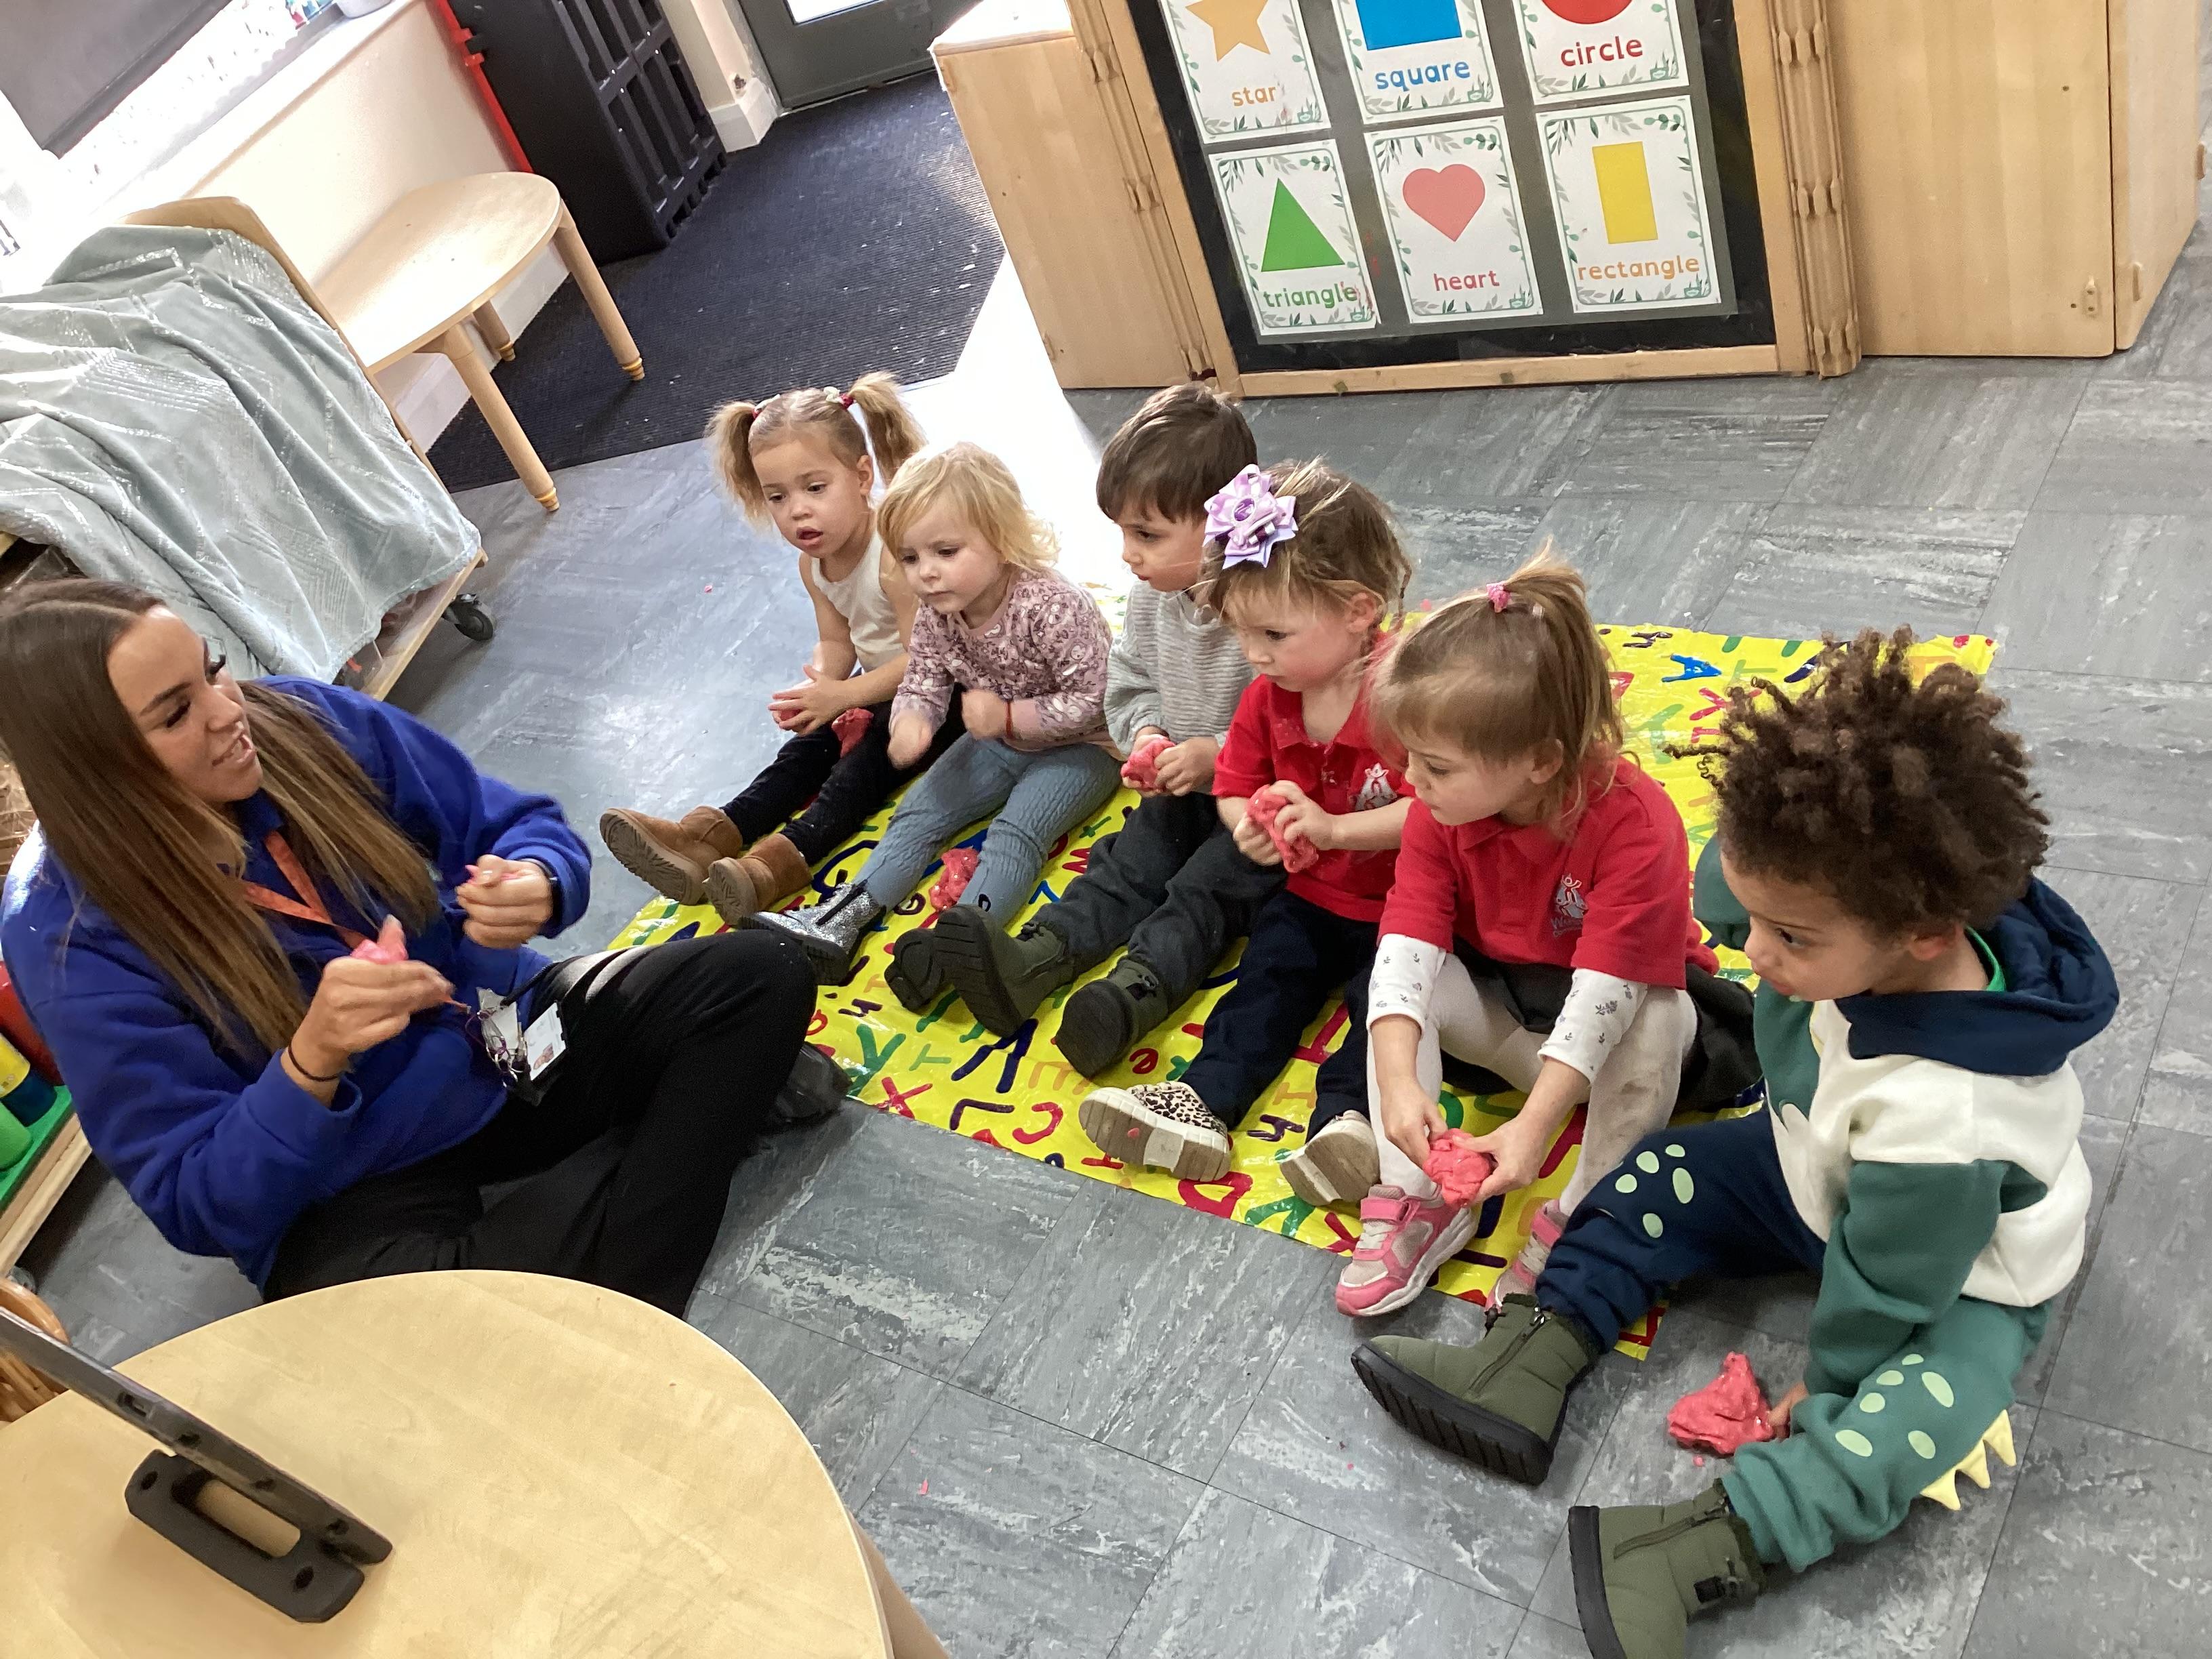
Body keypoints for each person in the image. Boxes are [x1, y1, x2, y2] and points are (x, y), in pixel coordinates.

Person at [1351, 630, 2115, 1659]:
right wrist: (1754, 864)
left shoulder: (1949, 1120)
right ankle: (1525, 1361)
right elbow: (1730, 880)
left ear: (1925, 935)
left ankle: (1702, 1546)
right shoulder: (1839, 909)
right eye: (1756, 919)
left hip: (1959, 1272)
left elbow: (1892, 1284)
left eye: (1788, 938)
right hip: (1813, 1168)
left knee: (1925, 1416)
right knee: (1652, 1176)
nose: (1750, 952)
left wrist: (1833, 1381)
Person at [0, 580, 824, 1316]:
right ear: (98, 771)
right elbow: (197, 1205)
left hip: (501, 1042)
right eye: (176, 713)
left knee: (760, 971)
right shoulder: (64, 936)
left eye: (213, 668)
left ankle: (615, 1237)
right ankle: (696, 1126)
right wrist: (311, 1063)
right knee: (406, 1329)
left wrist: (537, 879)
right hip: (354, 1182)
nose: (227, 711)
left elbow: (516, 822)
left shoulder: (298, 719)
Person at [1340, 554, 1757, 1318]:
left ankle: (1585, 1213)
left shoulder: (1636, 823)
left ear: (1540, 762)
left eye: (1435, 766)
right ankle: (1416, 1198)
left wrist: (1533, 1129)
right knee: (1393, 986)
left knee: (1657, 1013)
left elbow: (1607, 994)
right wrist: (1397, 1084)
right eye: (1409, 760)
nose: (1411, 783)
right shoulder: (1440, 811)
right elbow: (1406, 941)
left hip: (1616, 1050)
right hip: (1515, 1019)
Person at [1076, 459, 1412, 1202]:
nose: (1253, 653)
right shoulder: (1270, 694)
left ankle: (1351, 1121)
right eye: (1241, 631)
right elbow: (1233, 784)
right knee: (1264, 982)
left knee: (1387, 1010)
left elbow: (1438, 810)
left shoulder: (1407, 693)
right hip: (1311, 895)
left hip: (1408, 910)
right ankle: (1203, 1100)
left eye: (1272, 633)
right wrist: (1248, 825)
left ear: (1359, 610)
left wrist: (1335, 829)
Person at [932, 383, 1281, 1073]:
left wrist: (1217, 756)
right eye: (1123, 532)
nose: (1127, 554)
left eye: (1146, 535)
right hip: (1183, 788)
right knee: (1127, 862)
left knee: (1204, 892)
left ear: (1221, 523)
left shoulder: (1270, 609)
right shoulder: (1154, 597)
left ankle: (1131, 993)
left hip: (1259, 807)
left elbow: (1300, 719)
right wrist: (1148, 734)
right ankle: (1039, 957)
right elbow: (1131, 678)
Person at [746, 442, 1121, 996]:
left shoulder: (1054, 606)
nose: (927, 574)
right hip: (997, 738)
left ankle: (966, 944)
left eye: (946, 552)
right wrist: (912, 721)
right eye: (910, 558)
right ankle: (838, 920)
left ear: (1001, 537)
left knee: (1018, 831)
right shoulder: (937, 612)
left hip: (1083, 748)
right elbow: (923, 677)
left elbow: (1097, 697)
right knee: (919, 812)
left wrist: (1009, 716)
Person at [599, 373, 960, 926]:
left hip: (946, 693)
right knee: (803, 753)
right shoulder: (814, 565)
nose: (797, 511)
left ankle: (775, 865)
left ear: (862, 476)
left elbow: (925, 662)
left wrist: (843, 696)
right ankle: (708, 836)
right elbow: (838, 640)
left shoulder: (893, 553)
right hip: (879, 688)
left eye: (815, 488)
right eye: (778, 497)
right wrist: (820, 684)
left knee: (859, 771)